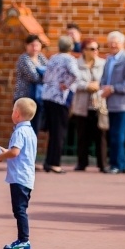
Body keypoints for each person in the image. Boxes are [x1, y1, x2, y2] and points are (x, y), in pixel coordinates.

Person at [0, 97, 38, 249]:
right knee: (21, 209)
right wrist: (6, 151)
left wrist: (1, 156)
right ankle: (22, 239)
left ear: (17, 114)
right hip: (27, 176)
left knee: (19, 210)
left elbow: (15, 152)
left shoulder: (19, 131)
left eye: (13, 110)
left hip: (19, 177)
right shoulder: (30, 131)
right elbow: (20, 153)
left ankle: (24, 240)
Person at [100, 31, 125, 174]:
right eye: (111, 42)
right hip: (111, 103)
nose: (113, 44)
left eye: (116, 42)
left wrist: (113, 88)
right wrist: (103, 88)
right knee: (113, 135)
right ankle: (117, 164)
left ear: (122, 44)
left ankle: (119, 164)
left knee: (119, 135)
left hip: (123, 104)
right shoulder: (109, 60)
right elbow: (104, 79)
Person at [41, 35, 80, 173]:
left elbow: (45, 77)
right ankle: (55, 163)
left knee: (52, 131)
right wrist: (66, 84)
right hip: (59, 97)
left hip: (47, 96)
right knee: (59, 132)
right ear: (71, 47)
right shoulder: (70, 59)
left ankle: (48, 161)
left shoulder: (53, 58)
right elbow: (76, 74)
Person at [71, 38, 107, 172]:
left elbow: (106, 80)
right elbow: (73, 82)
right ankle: (82, 163)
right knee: (82, 135)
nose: (95, 51)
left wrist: (98, 86)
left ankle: (102, 164)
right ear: (84, 50)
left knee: (101, 135)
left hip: (98, 104)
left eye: (97, 48)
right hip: (82, 104)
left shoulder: (103, 64)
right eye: (92, 49)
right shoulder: (76, 64)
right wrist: (87, 86)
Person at [13, 34, 48, 134]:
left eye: (37, 45)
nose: (35, 48)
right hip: (24, 98)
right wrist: (44, 75)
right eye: (32, 45)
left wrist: (43, 74)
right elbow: (34, 77)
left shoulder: (41, 58)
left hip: (38, 98)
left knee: (35, 128)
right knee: (23, 127)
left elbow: (50, 74)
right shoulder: (24, 59)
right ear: (26, 45)